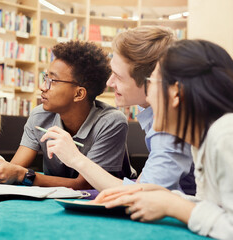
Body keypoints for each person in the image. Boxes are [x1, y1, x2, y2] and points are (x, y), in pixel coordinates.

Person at [0, 40, 134, 189]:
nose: (42, 87)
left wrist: (24, 176)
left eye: (52, 81)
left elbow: (86, 184)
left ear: (79, 93)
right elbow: (12, 168)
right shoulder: (40, 116)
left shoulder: (111, 122)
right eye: (45, 77)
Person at [92, 39, 233, 239]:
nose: (147, 97)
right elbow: (212, 209)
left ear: (177, 93)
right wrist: (165, 195)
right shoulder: (203, 143)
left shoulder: (225, 135)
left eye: (152, 83)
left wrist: (171, 204)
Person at [40, 26, 196, 194]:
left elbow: (142, 195)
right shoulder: (153, 112)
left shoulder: (172, 128)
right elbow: (146, 183)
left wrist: (75, 158)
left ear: (151, 82)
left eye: (118, 76)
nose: (109, 83)